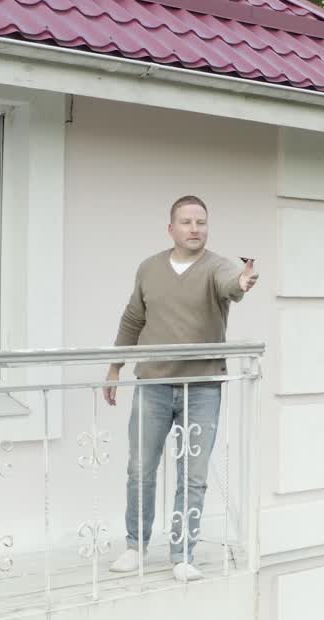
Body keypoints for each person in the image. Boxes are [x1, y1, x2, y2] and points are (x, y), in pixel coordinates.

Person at [104, 195, 258, 581]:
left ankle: (182, 553)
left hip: (202, 387)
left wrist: (241, 281)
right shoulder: (149, 269)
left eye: (201, 222)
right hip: (153, 384)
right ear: (171, 228)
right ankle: (135, 546)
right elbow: (132, 320)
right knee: (141, 468)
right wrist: (115, 367)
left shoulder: (217, 267)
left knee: (194, 474)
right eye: (186, 222)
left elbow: (231, 285)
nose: (194, 229)